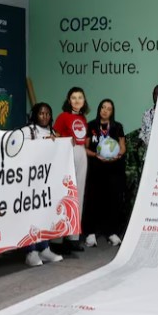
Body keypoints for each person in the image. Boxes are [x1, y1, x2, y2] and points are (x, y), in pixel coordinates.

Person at [21, 102, 63, 266]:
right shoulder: (27, 131)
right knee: (31, 216)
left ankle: (44, 248)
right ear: (35, 115)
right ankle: (31, 251)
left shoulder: (54, 132)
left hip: (47, 181)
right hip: (30, 182)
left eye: (48, 114)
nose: (45, 117)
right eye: (41, 113)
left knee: (45, 215)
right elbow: (18, 150)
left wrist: (58, 142)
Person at [83, 99, 126, 247]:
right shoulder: (91, 126)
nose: (105, 110)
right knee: (93, 200)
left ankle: (111, 232)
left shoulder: (117, 127)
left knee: (112, 201)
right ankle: (90, 233)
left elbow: (122, 147)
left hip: (113, 170)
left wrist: (117, 155)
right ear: (99, 109)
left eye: (109, 108)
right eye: (103, 107)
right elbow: (85, 148)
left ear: (112, 111)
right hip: (95, 169)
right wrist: (96, 155)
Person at [53, 87, 89, 253]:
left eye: (80, 97)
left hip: (81, 153)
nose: (76, 100)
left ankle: (73, 237)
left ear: (84, 100)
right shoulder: (63, 117)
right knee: (64, 194)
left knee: (78, 194)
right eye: (73, 97)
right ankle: (57, 238)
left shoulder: (82, 117)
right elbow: (56, 137)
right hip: (67, 154)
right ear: (68, 100)